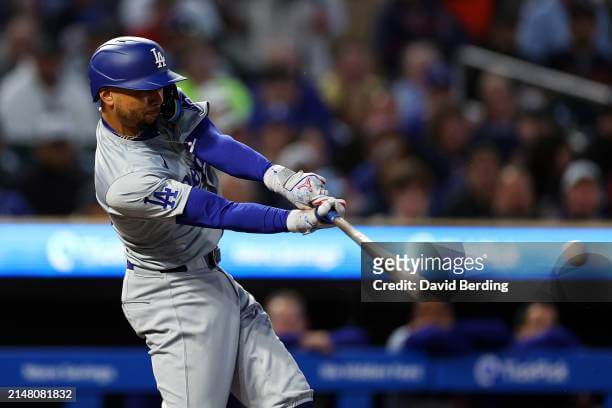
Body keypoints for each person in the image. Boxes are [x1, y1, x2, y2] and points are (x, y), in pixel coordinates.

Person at [89, 36, 346, 408]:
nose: (157, 97)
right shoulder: (124, 181)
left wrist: (280, 178)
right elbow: (217, 210)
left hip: (211, 276)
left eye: (159, 87)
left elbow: (208, 139)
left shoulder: (156, 104)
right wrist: (299, 219)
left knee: (289, 401)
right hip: (173, 294)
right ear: (107, 95)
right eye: (143, 91)